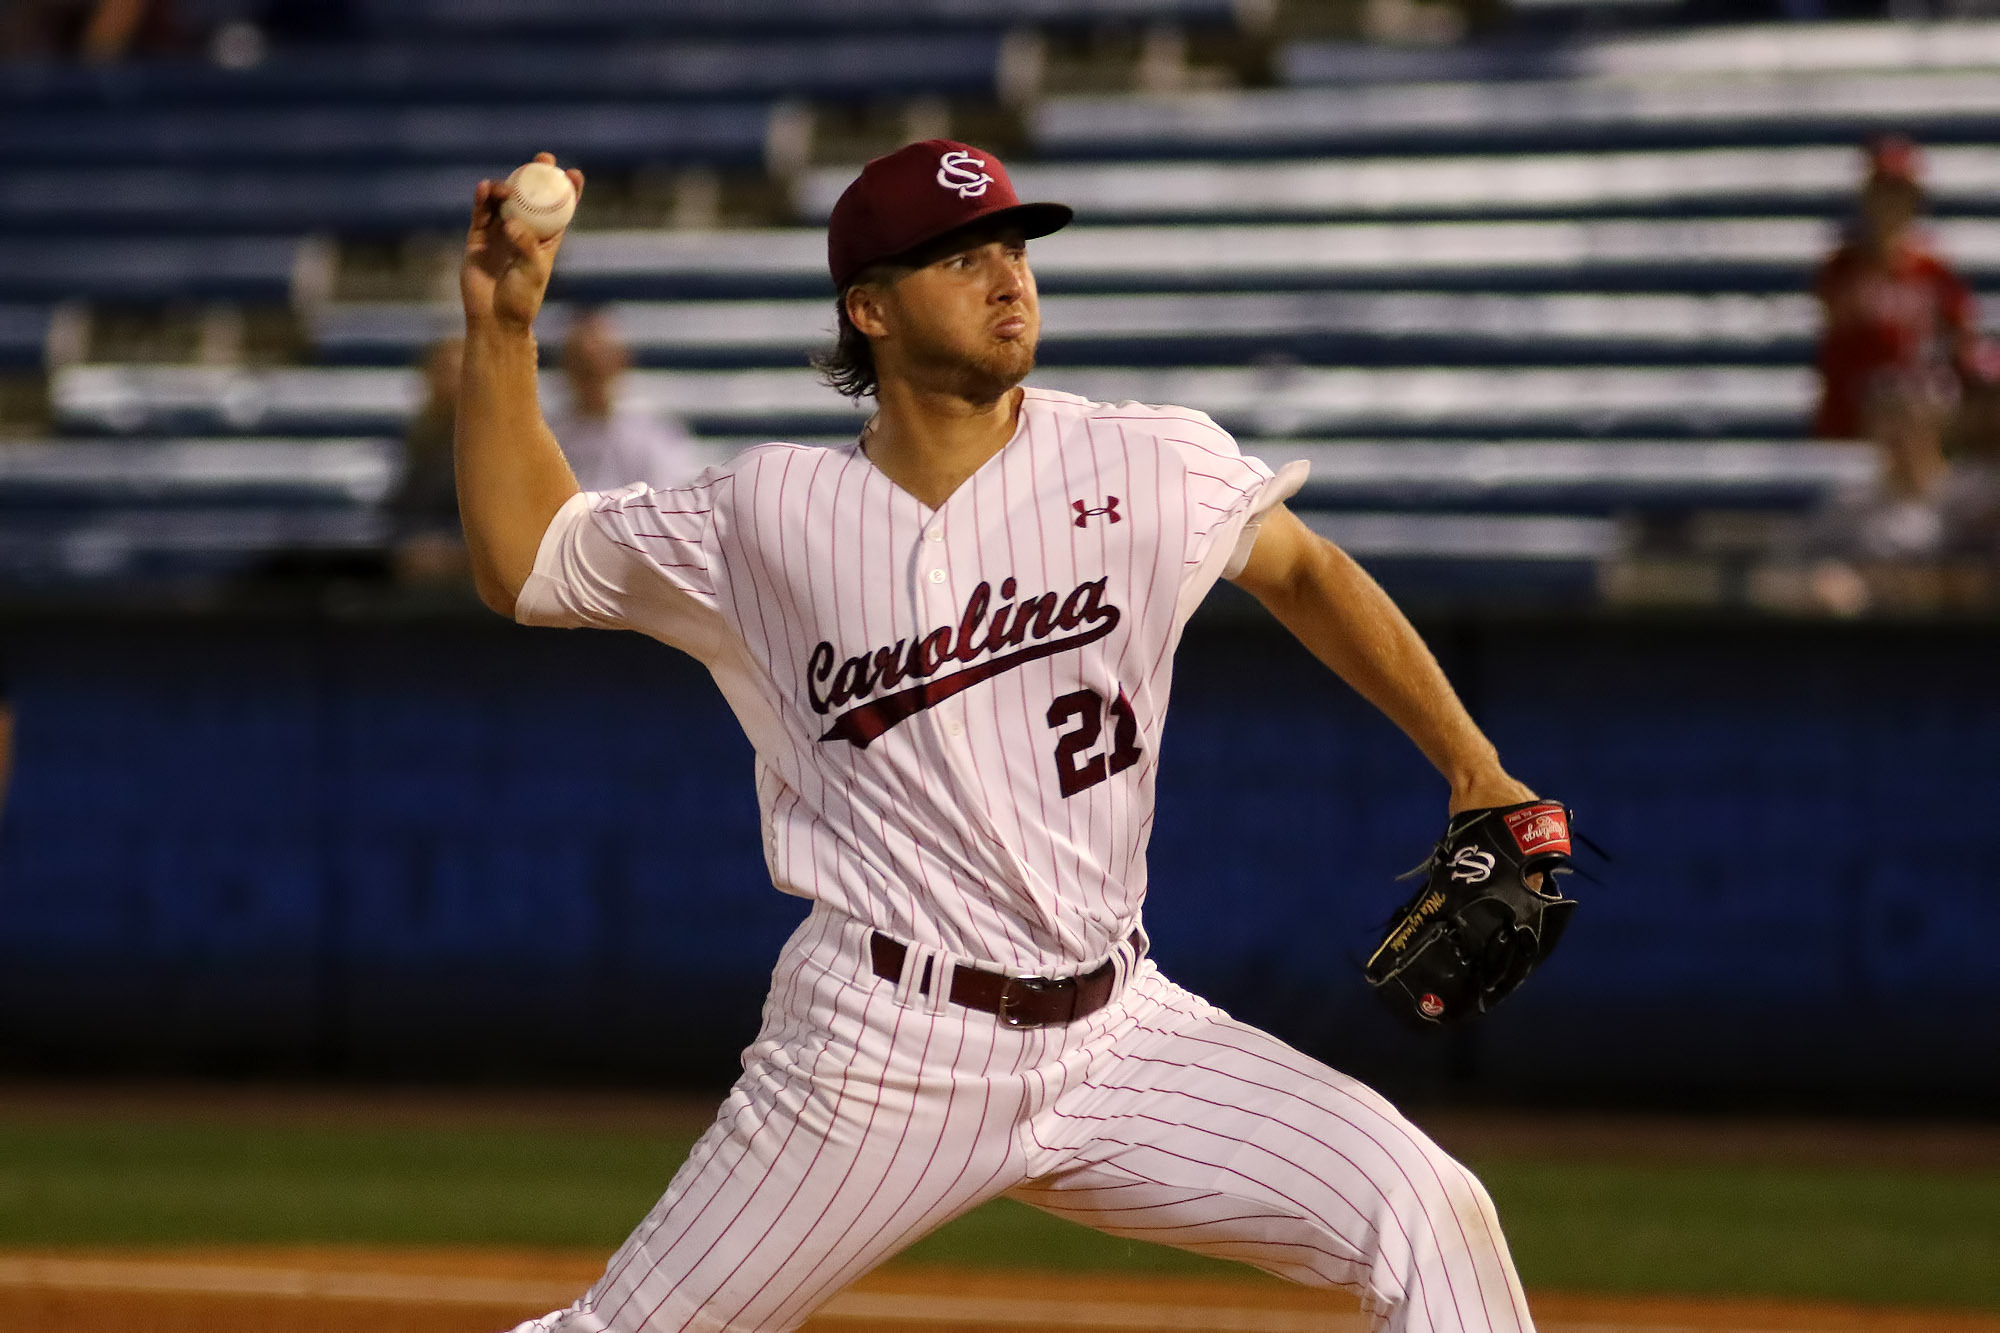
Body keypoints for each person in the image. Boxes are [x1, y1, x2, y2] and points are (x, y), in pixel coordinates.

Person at [460, 145, 1540, 1333]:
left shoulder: (1142, 460)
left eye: (1015, 251)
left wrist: (1472, 769)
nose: (1007, 279)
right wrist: (505, 327)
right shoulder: (764, 515)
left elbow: (1304, 569)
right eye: (961, 257)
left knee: (1427, 1212)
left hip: (1120, 1033)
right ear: (867, 309)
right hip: (881, 1046)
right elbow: (529, 561)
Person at [1813, 134, 1991, 453]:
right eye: (1883, 192)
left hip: (1918, 436)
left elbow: (1963, 343)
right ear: (1867, 197)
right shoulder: (1842, 268)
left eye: (1900, 194)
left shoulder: (1935, 272)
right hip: (1850, 430)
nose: (1891, 205)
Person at [544, 307, 700, 493]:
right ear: (565, 367)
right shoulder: (547, 438)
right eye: (583, 367)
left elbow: (671, 501)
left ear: (621, 362)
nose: (594, 377)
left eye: (601, 363)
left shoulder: (654, 436)